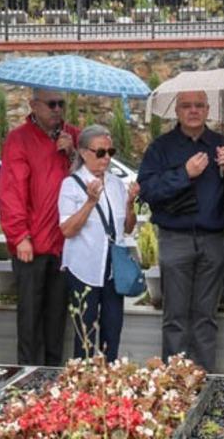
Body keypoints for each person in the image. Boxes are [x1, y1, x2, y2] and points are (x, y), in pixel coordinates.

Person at [137, 90, 224, 372]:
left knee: (206, 316)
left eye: (199, 106)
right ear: (176, 111)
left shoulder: (222, 146)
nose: (193, 111)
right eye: (186, 106)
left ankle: (202, 378)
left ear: (208, 110)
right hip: (175, 238)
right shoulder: (161, 148)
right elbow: (147, 190)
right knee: (175, 316)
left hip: (213, 239)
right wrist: (184, 174)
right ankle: (175, 381)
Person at [0, 88, 80, 366]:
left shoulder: (73, 137)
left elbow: (89, 177)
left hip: (64, 244)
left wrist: (72, 155)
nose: (58, 109)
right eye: (51, 104)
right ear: (34, 106)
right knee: (31, 320)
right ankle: (29, 378)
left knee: (57, 320)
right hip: (31, 245)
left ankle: (53, 378)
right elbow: (11, 191)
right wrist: (20, 235)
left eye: (62, 103)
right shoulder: (18, 140)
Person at [58, 125, 139, 362]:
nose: (106, 158)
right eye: (100, 152)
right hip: (83, 267)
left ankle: (108, 381)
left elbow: (127, 228)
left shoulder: (115, 183)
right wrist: (90, 202)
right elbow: (67, 230)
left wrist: (130, 204)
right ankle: (82, 385)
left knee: (112, 330)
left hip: (112, 268)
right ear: (83, 153)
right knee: (85, 333)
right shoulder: (71, 185)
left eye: (110, 152)